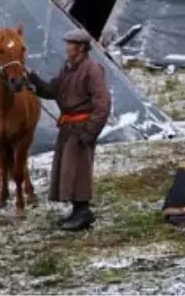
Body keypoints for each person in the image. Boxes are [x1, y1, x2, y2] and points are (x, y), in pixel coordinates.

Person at [27, 28, 111, 231]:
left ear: (81, 47)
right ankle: (76, 210)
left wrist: (90, 131)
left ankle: (83, 213)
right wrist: (33, 80)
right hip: (68, 127)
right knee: (68, 170)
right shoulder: (68, 69)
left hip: (81, 128)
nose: (66, 48)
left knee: (79, 170)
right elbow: (52, 90)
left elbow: (103, 103)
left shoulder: (92, 70)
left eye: (70, 44)